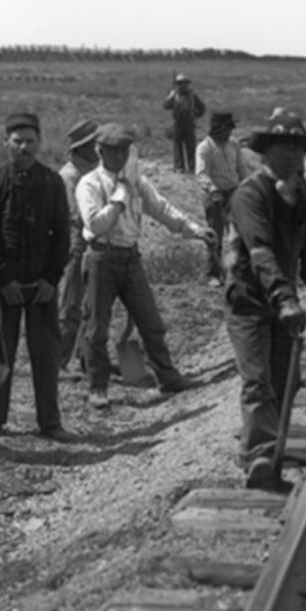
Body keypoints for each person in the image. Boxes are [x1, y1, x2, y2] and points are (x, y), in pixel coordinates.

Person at [224, 109, 306, 490]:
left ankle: (268, 449)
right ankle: (260, 458)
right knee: (258, 382)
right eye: (281, 148)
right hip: (250, 300)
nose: (289, 156)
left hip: (282, 301)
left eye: (296, 148)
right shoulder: (249, 195)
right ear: (266, 152)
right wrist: (285, 299)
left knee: (286, 378)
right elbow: (260, 253)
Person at [76, 123, 215, 410]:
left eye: (124, 151)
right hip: (101, 257)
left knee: (150, 321)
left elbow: (161, 208)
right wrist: (119, 198)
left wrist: (193, 228)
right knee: (96, 327)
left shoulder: (136, 180)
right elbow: (95, 223)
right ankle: (98, 387)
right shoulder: (89, 184)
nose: (119, 157)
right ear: (100, 151)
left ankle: (167, 376)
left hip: (130, 257)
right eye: (113, 151)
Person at [0, 113, 73, 437]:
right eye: (17, 141)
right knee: (0, 352)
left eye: (30, 141)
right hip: (7, 286)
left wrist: (52, 279)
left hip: (42, 285)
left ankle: (50, 422)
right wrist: (1, 279)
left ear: (39, 143)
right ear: (6, 143)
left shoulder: (52, 182)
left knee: (46, 355)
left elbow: (61, 234)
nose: (24, 147)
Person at [56, 119, 100, 374]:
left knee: (93, 305)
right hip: (78, 243)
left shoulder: (95, 170)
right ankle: (59, 361)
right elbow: (76, 214)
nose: (96, 148)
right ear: (81, 148)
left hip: (98, 240)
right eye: (92, 144)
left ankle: (87, 357)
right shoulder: (69, 175)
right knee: (71, 304)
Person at [195, 110, 250, 285]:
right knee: (215, 235)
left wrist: (247, 185)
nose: (230, 133)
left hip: (234, 192)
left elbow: (241, 168)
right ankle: (213, 273)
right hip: (215, 196)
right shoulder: (205, 148)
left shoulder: (233, 144)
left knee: (239, 233)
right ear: (219, 129)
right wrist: (213, 190)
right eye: (228, 129)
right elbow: (201, 174)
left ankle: (240, 271)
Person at [162, 73, 207, 174]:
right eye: (180, 83)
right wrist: (170, 96)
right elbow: (165, 106)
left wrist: (196, 116)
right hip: (177, 123)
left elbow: (202, 108)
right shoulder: (174, 95)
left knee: (191, 147)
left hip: (189, 124)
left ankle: (192, 167)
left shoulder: (193, 96)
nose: (182, 86)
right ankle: (179, 167)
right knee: (177, 147)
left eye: (184, 83)